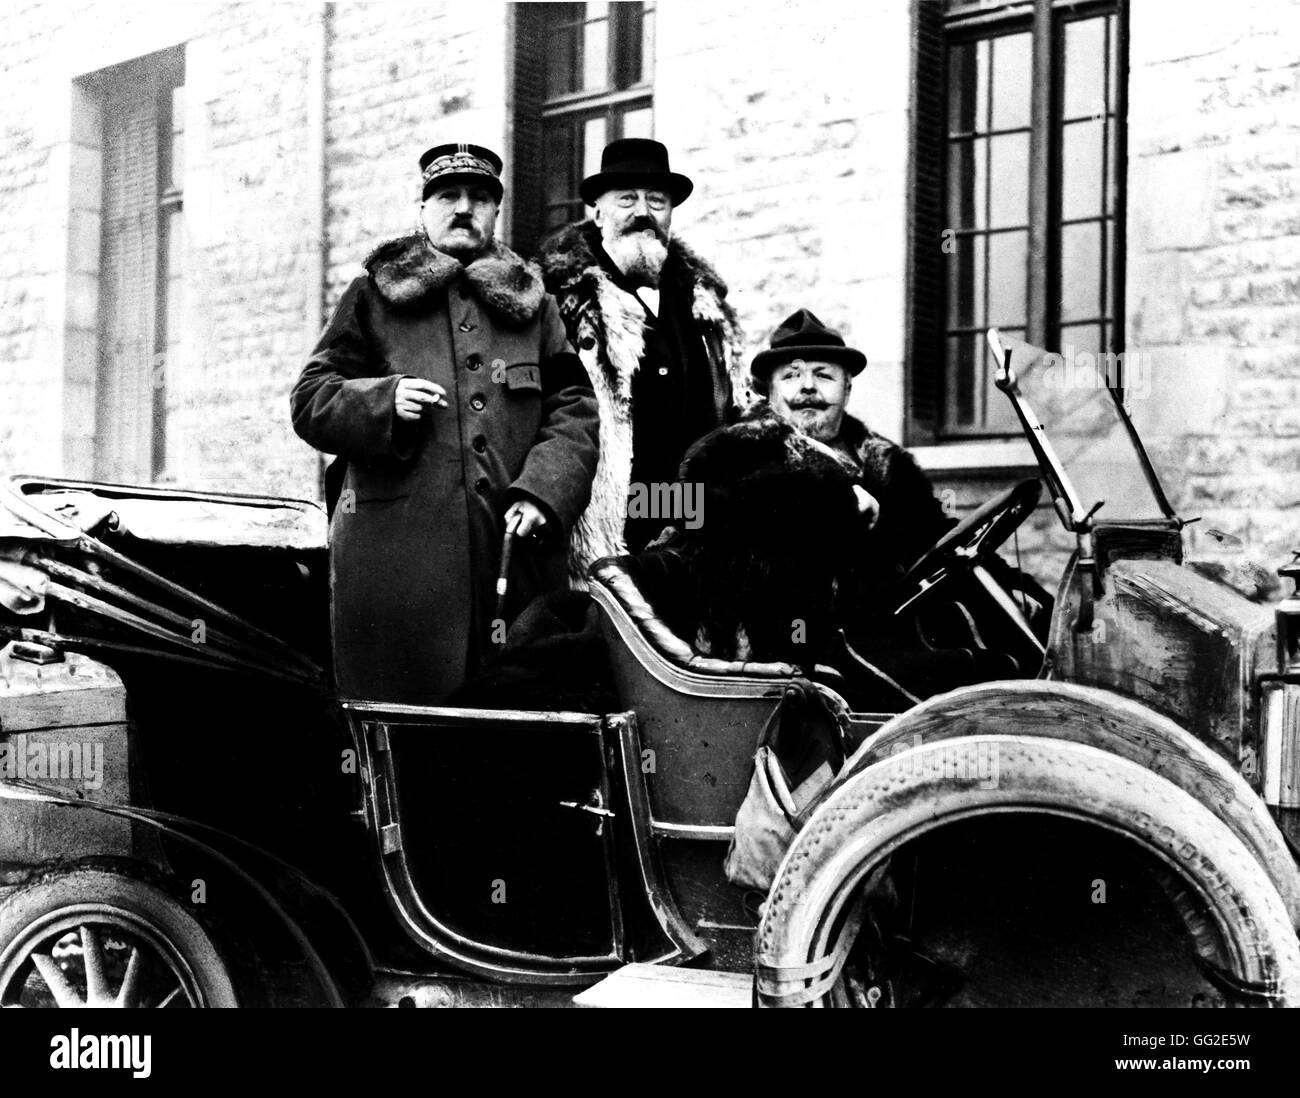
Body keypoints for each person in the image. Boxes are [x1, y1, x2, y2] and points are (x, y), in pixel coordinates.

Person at [290, 142, 599, 705]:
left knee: (512, 727)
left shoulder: (534, 303)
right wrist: (383, 401)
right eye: (448, 196)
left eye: (480, 198)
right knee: (400, 728)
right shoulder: (374, 294)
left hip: (512, 560)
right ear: (422, 208)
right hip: (399, 569)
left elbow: (574, 405)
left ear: (496, 213)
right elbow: (311, 398)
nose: (464, 208)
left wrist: (544, 492)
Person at [537, 138, 749, 579]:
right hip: (603, 518)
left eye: (657, 201)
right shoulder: (560, 299)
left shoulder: (705, 303)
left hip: (693, 520)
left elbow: (736, 409)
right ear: (596, 211)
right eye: (626, 199)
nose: (643, 213)